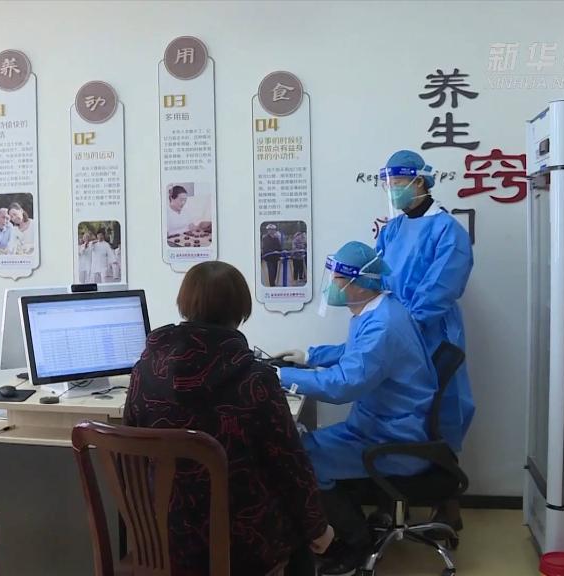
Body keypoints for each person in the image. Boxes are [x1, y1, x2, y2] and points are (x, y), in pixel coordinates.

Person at [126, 261, 334, 576]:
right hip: (243, 546)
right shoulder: (255, 379)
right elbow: (290, 466)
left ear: (184, 304)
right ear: (241, 311)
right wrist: (318, 529)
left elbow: (133, 450)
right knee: (301, 547)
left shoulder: (144, 371)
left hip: (164, 540)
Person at [276, 242, 437, 575]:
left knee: (303, 457)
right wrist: (310, 356)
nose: (332, 285)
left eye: (338, 278)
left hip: (393, 439)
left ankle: (354, 545)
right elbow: (355, 351)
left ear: (360, 283)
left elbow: (342, 385)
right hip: (381, 424)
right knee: (305, 445)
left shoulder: (383, 325)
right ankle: (347, 527)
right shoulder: (381, 308)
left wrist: (281, 376)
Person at [377, 150, 474, 528]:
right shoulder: (392, 230)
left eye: (399, 182)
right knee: (391, 411)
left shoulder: (447, 230)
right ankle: (389, 498)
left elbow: (440, 287)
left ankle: (446, 503)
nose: (394, 190)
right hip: (394, 334)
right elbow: (377, 280)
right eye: (389, 183)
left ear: (420, 181)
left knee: (437, 415)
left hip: (431, 335)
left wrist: (407, 329)